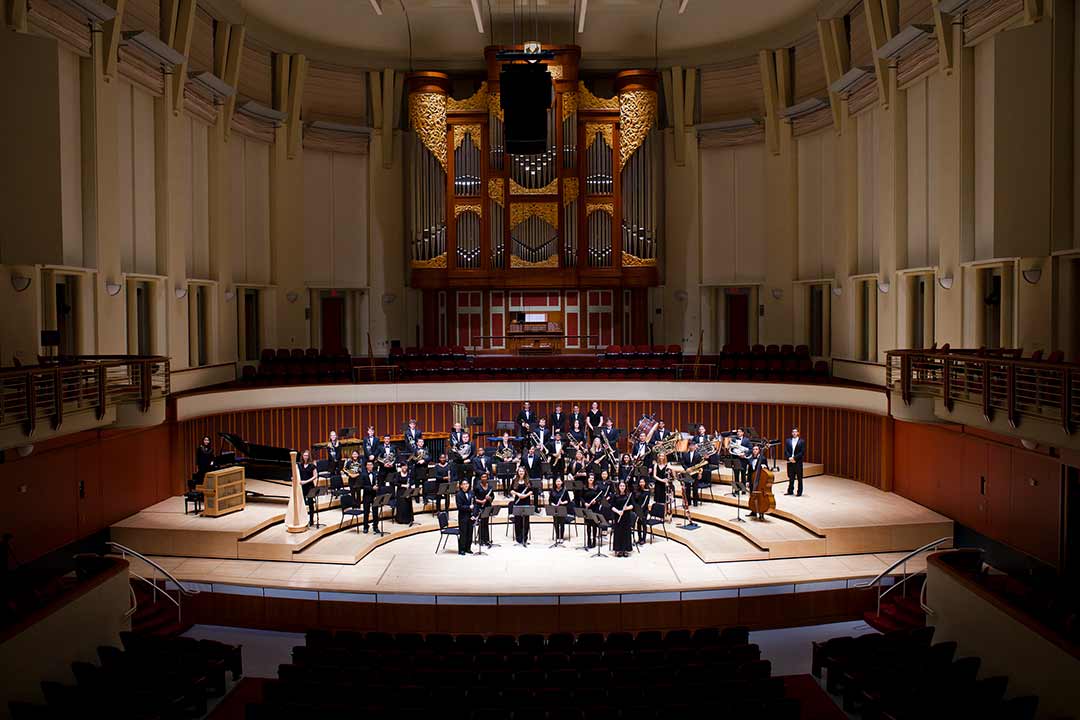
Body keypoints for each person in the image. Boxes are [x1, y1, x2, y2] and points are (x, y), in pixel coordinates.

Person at [611, 481, 635, 557]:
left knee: (626, 533)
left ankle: (625, 549)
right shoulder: (615, 496)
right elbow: (611, 506)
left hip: (626, 517)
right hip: (618, 516)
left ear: (625, 487)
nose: (622, 487)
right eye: (621, 486)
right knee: (618, 533)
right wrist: (618, 512)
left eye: (623, 486)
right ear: (618, 487)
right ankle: (618, 549)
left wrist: (626, 508)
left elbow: (632, 506)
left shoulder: (628, 496)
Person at [510, 467, 532, 545]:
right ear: (518, 472)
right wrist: (518, 494)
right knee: (518, 520)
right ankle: (518, 538)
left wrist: (525, 495)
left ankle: (524, 538)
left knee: (526, 520)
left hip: (526, 501)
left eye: (522, 471)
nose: (521, 472)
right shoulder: (514, 480)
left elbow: (531, 491)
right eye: (520, 471)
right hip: (517, 502)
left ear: (525, 472)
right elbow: (511, 490)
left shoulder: (528, 481)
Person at [297, 450, 318, 526]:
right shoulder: (299, 465)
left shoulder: (312, 466)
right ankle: (301, 519)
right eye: (304, 455)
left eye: (307, 455)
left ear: (309, 456)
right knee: (300, 504)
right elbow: (296, 474)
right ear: (302, 456)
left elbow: (315, 476)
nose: (305, 457)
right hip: (301, 487)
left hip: (310, 487)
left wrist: (306, 481)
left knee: (310, 504)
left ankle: (311, 520)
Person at [746, 445, 768, 518]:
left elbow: (766, 469)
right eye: (753, 449)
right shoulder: (751, 458)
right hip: (752, 480)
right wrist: (748, 481)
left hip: (760, 481)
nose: (754, 450)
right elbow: (749, 471)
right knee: (752, 496)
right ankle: (753, 511)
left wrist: (764, 467)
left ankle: (761, 513)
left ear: (759, 450)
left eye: (756, 449)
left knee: (760, 497)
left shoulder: (763, 458)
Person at [473, 473, 494, 547]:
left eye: (485, 477)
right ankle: (481, 539)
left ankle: (486, 539)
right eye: (482, 477)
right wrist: (481, 501)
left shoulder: (490, 487)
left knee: (486, 523)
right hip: (479, 506)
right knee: (481, 523)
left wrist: (490, 498)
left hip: (487, 506)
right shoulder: (477, 487)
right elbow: (474, 498)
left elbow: (492, 497)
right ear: (480, 478)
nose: (484, 478)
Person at [730, 428, 752, 496]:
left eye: (739, 432)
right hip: (736, 459)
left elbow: (750, 449)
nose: (738, 433)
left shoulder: (747, 440)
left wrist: (744, 454)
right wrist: (735, 452)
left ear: (743, 433)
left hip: (743, 460)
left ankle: (743, 490)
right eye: (737, 432)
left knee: (743, 475)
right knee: (736, 475)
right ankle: (736, 490)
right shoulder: (733, 439)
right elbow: (731, 448)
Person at [549, 476, 571, 542]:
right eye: (557, 481)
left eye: (559, 481)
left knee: (562, 523)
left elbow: (568, 500)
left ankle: (561, 537)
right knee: (556, 523)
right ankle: (557, 536)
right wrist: (552, 504)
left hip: (562, 508)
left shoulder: (564, 490)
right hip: (555, 508)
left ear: (561, 482)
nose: (558, 482)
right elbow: (550, 500)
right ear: (555, 482)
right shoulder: (552, 490)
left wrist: (562, 502)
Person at [360, 459, 380, 533]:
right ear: (366, 466)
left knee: (375, 512)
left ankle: (375, 527)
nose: (370, 466)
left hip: (374, 495)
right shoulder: (363, 474)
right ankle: (365, 527)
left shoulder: (375, 473)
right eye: (368, 465)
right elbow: (362, 486)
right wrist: (372, 488)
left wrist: (378, 487)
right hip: (367, 496)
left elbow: (378, 483)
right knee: (366, 512)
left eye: (371, 465)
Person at [580, 475, 600, 548]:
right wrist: (584, 503)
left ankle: (594, 540)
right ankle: (589, 540)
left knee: (594, 525)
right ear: (587, 479)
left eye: (592, 478)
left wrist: (596, 500)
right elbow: (581, 497)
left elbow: (600, 497)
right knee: (588, 525)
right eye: (590, 478)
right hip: (587, 508)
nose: (591, 479)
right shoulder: (584, 487)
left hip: (595, 508)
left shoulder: (597, 487)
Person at [454, 479, 473, 555]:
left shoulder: (471, 493)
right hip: (463, 517)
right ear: (461, 486)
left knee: (470, 532)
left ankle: (468, 548)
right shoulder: (458, 494)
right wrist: (469, 507)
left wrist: (474, 514)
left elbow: (474, 503)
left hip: (470, 516)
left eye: (467, 484)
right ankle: (462, 549)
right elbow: (459, 507)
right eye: (464, 484)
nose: (466, 485)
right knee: (463, 533)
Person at [786, 427, 806, 496]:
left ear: (798, 433)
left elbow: (802, 452)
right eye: (793, 432)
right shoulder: (788, 440)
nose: (794, 433)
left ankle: (799, 492)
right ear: (792, 433)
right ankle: (790, 491)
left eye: (795, 432)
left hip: (798, 462)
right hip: (790, 461)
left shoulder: (802, 441)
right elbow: (786, 451)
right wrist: (789, 458)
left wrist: (794, 458)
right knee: (791, 477)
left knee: (799, 478)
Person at [652, 452, 672, 519]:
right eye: (660, 456)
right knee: (657, 499)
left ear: (664, 457)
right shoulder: (656, 465)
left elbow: (671, 475)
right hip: (658, 484)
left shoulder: (667, 465)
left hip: (665, 485)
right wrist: (662, 480)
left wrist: (667, 480)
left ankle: (664, 514)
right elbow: (654, 475)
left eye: (662, 456)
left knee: (664, 500)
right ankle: (657, 514)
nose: (661, 457)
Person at [633, 476, 651, 544]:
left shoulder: (647, 491)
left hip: (644, 510)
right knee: (638, 524)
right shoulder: (637, 491)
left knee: (643, 524)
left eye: (643, 482)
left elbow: (646, 502)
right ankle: (639, 538)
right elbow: (635, 500)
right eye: (640, 482)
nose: (641, 483)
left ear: (645, 483)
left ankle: (643, 539)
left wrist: (640, 510)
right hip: (638, 509)